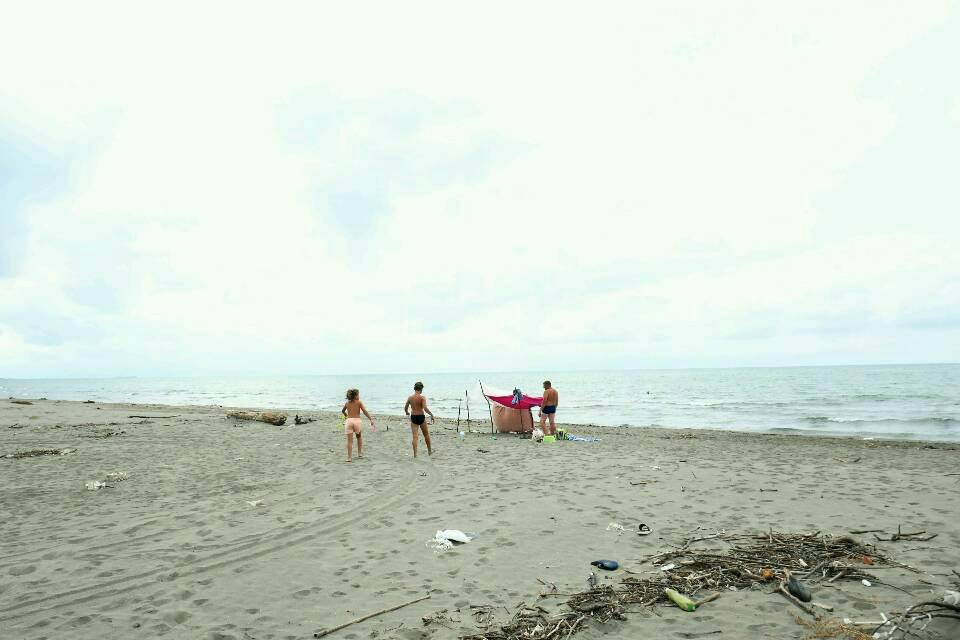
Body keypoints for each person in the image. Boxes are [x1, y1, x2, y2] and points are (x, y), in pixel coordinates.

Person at [341, 388, 375, 462]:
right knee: (359, 437)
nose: (359, 396)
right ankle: (359, 453)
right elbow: (364, 411)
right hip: (357, 421)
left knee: (349, 441)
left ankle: (349, 458)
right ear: (355, 396)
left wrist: (346, 416)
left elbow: (343, 411)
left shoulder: (347, 403)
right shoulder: (359, 402)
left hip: (349, 421)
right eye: (358, 395)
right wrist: (370, 419)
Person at [404, 381, 435, 458]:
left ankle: (415, 455)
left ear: (415, 388)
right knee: (426, 435)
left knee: (415, 436)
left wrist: (407, 412)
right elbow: (425, 408)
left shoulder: (410, 397)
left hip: (414, 417)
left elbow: (406, 407)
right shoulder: (422, 397)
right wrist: (431, 414)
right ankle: (429, 451)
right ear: (421, 389)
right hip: (421, 417)